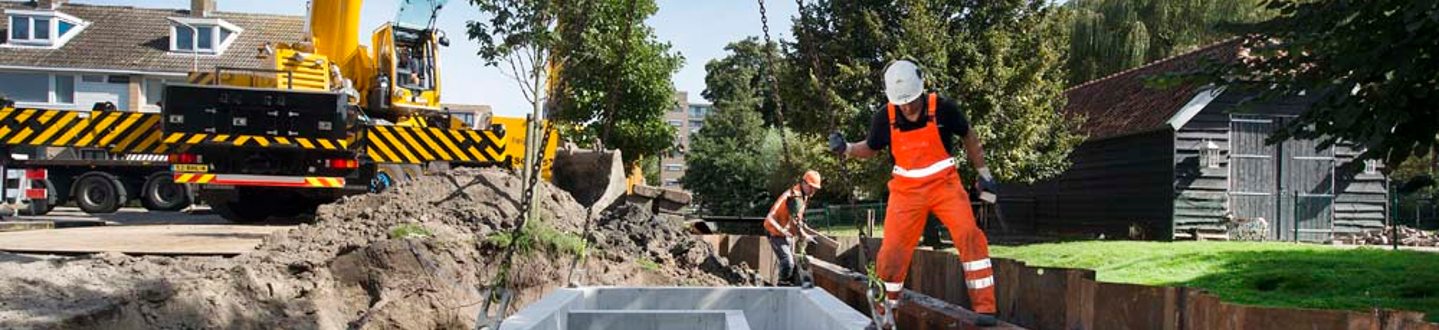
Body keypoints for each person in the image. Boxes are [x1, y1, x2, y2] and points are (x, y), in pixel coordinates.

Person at [828, 60, 1000, 327]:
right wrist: (847, 148)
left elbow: (970, 136)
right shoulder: (884, 117)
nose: (907, 106)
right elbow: (870, 148)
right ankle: (885, 317)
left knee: (969, 234)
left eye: (911, 100)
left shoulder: (943, 108)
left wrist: (985, 174)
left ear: (921, 89)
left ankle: (986, 308)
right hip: (906, 190)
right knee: (892, 253)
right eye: (901, 102)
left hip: (945, 184)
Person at [763, 170, 823, 286]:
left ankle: (787, 283)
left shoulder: (803, 195)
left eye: (815, 189)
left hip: (785, 232)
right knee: (787, 262)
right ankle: (782, 287)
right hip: (774, 230)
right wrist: (803, 235)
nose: (813, 191)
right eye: (811, 187)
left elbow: (797, 219)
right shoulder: (794, 197)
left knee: (792, 262)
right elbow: (792, 221)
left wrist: (802, 229)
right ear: (804, 183)